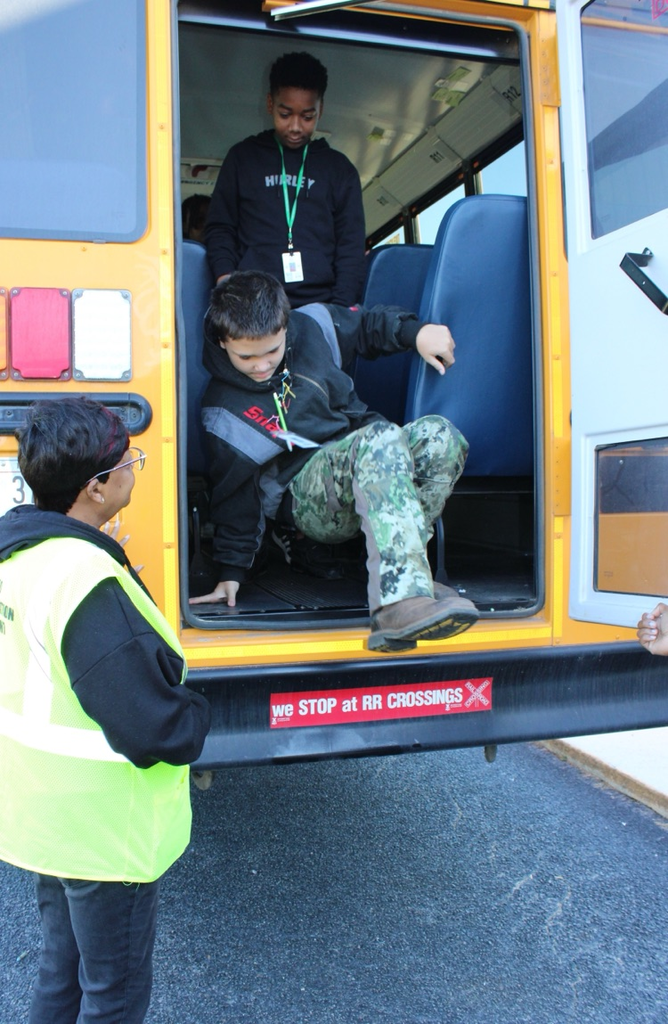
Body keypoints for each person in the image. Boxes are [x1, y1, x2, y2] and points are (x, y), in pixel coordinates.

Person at [0, 397, 211, 1024]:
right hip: (102, 831)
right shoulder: (83, 579)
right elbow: (152, 726)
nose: (133, 471)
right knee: (110, 997)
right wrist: (198, 716)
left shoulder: (20, 556)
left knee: (61, 977)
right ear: (96, 487)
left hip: (46, 816)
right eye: (130, 463)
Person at [189, 270, 479, 653]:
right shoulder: (223, 409)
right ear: (223, 341)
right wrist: (231, 570)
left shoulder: (312, 326)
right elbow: (235, 493)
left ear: (285, 327)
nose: (262, 366)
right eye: (246, 357)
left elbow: (366, 326)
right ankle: (397, 606)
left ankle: (411, 576)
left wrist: (416, 333)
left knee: (440, 437)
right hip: (307, 497)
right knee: (380, 438)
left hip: (367, 455)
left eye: (272, 352)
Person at [204, 50, 366, 308]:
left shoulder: (340, 170)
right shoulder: (242, 158)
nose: (295, 126)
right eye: (285, 114)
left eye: (307, 116)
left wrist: (339, 311)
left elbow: (351, 248)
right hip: (252, 306)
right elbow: (220, 227)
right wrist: (227, 284)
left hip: (320, 306)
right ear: (270, 104)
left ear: (320, 110)